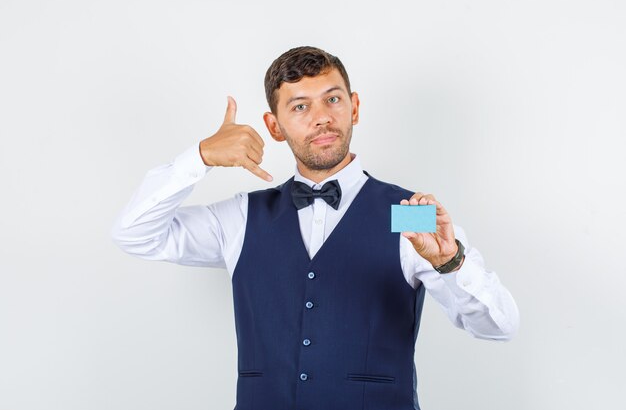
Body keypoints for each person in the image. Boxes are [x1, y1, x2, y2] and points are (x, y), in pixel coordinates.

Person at [111, 46, 519, 410]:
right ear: (275, 126)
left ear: (354, 107)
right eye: (300, 107)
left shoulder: (407, 213)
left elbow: (499, 327)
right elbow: (134, 233)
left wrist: (452, 263)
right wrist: (198, 158)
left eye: (333, 99)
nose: (322, 118)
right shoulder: (240, 217)